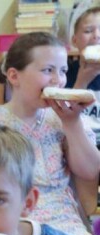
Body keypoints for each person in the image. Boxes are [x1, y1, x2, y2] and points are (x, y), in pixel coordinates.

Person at [0, 31, 100, 235]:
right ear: (14, 76)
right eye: (48, 70)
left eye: (63, 71)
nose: (59, 80)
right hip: (3, 222)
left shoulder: (67, 120)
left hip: (63, 223)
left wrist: (72, 123)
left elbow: (89, 172)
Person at [66, 4, 100, 145]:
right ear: (75, 40)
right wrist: (82, 82)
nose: (97, 36)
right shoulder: (64, 73)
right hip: (77, 142)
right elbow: (63, 117)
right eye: (88, 31)